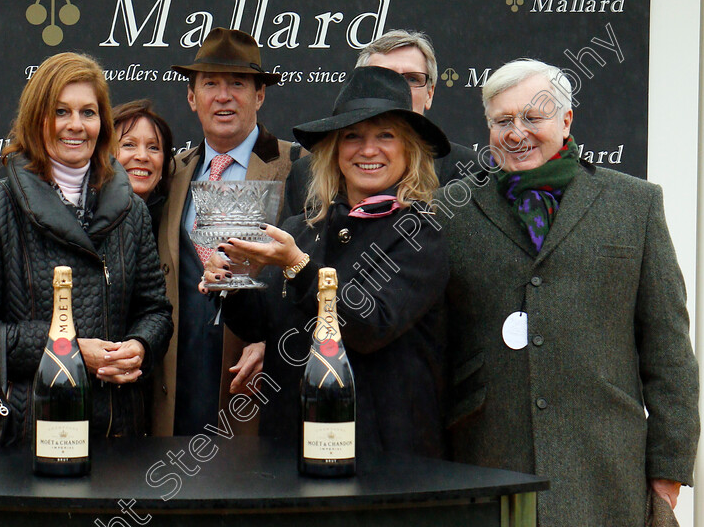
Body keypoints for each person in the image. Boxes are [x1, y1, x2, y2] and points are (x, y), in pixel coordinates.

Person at [441, 58, 699, 525]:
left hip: (605, 471)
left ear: (566, 120)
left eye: (532, 117)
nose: (516, 132)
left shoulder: (635, 204)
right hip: (486, 466)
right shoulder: (452, 214)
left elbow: (669, 350)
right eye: (503, 121)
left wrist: (669, 470)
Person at [205, 66, 451, 457]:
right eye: (353, 136)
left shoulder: (419, 232)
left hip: (383, 455)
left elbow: (368, 326)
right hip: (291, 446)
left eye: (385, 135)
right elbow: (265, 325)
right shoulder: (302, 226)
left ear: (409, 149)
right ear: (335, 150)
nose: (368, 150)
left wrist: (298, 266)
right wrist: (229, 283)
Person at [0, 52, 173, 443]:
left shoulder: (131, 210)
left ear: (102, 124)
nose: (76, 126)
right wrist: (72, 352)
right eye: (61, 112)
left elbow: (154, 310)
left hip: (118, 435)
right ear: (37, 119)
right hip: (24, 434)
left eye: (88, 112)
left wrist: (141, 346)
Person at [153, 28, 301, 436]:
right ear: (191, 97)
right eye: (210, 84)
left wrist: (278, 341)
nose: (223, 96)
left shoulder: (299, 166)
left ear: (259, 95)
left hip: (257, 385)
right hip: (177, 386)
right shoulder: (169, 173)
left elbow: (318, 272)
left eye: (237, 83)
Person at [282, 29, 476, 218]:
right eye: (384, 78)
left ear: (430, 94)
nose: (400, 90)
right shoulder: (306, 173)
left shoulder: (468, 171)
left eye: (412, 78)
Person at [113, 99, 174, 231]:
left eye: (153, 148)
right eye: (129, 145)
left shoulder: (171, 230)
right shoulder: (87, 222)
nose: (142, 156)